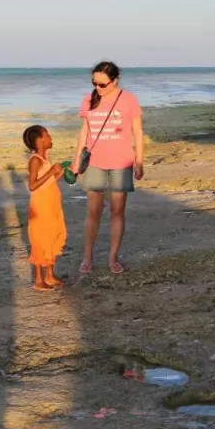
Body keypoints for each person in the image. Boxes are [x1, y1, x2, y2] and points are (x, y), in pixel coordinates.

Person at [71, 61, 144, 275]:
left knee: (117, 211)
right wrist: (76, 159)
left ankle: (113, 258)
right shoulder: (88, 99)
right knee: (93, 212)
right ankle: (87, 258)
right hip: (95, 162)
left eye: (103, 84)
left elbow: (138, 132)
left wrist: (139, 161)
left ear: (115, 81)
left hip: (121, 162)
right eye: (95, 83)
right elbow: (84, 131)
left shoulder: (128, 99)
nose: (98, 88)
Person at [22, 124, 67, 291]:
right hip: (40, 206)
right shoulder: (35, 160)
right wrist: (50, 172)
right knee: (41, 239)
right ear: (39, 141)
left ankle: (50, 274)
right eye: (47, 136)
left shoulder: (45, 160)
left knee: (52, 235)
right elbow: (32, 185)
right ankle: (39, 280)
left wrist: (62, 171)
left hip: (51, 203)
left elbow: (50, 181)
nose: (50, 138)